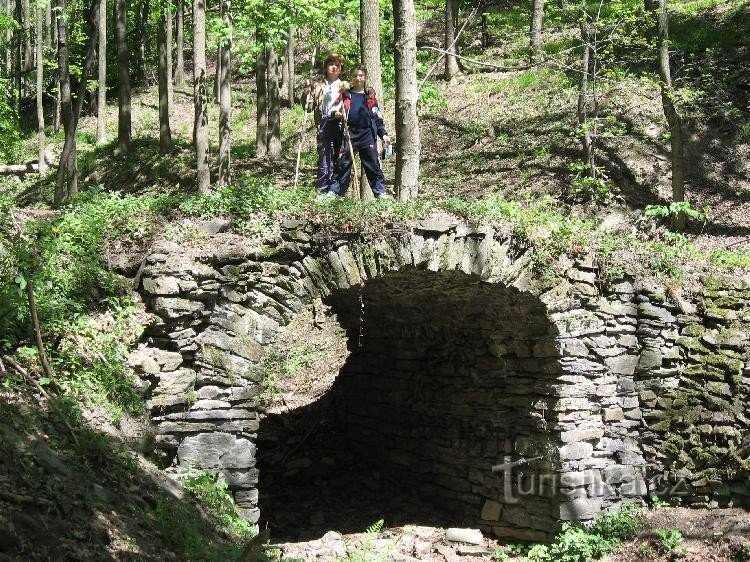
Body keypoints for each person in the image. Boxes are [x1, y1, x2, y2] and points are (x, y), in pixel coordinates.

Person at [327, 65, 391, 199]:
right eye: (355, 75)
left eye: (361, 75)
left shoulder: (370, 97)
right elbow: (333, 111)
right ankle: (335, 193)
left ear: (365, 77)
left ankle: (381, 193)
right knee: (343, 163)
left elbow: (377, 117)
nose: (358, 78)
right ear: (351, 77)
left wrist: (383, 134)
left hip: (367, 135)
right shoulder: (345, 95)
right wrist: (337, 114)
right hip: (349, 134)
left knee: (372, 164)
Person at [305, 54, 346, 193]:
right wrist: (309, 91)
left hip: (339, 122)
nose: (334, 67)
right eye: (331, 64)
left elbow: (350, 104)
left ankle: (335, 189)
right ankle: (322, 187)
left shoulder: (344, 86)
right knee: (324, 155)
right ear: (326, 67)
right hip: (324, 122)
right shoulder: (319, 86)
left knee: (338, 156)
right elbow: (309, 107)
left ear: (341, 69)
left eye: (337, 65)